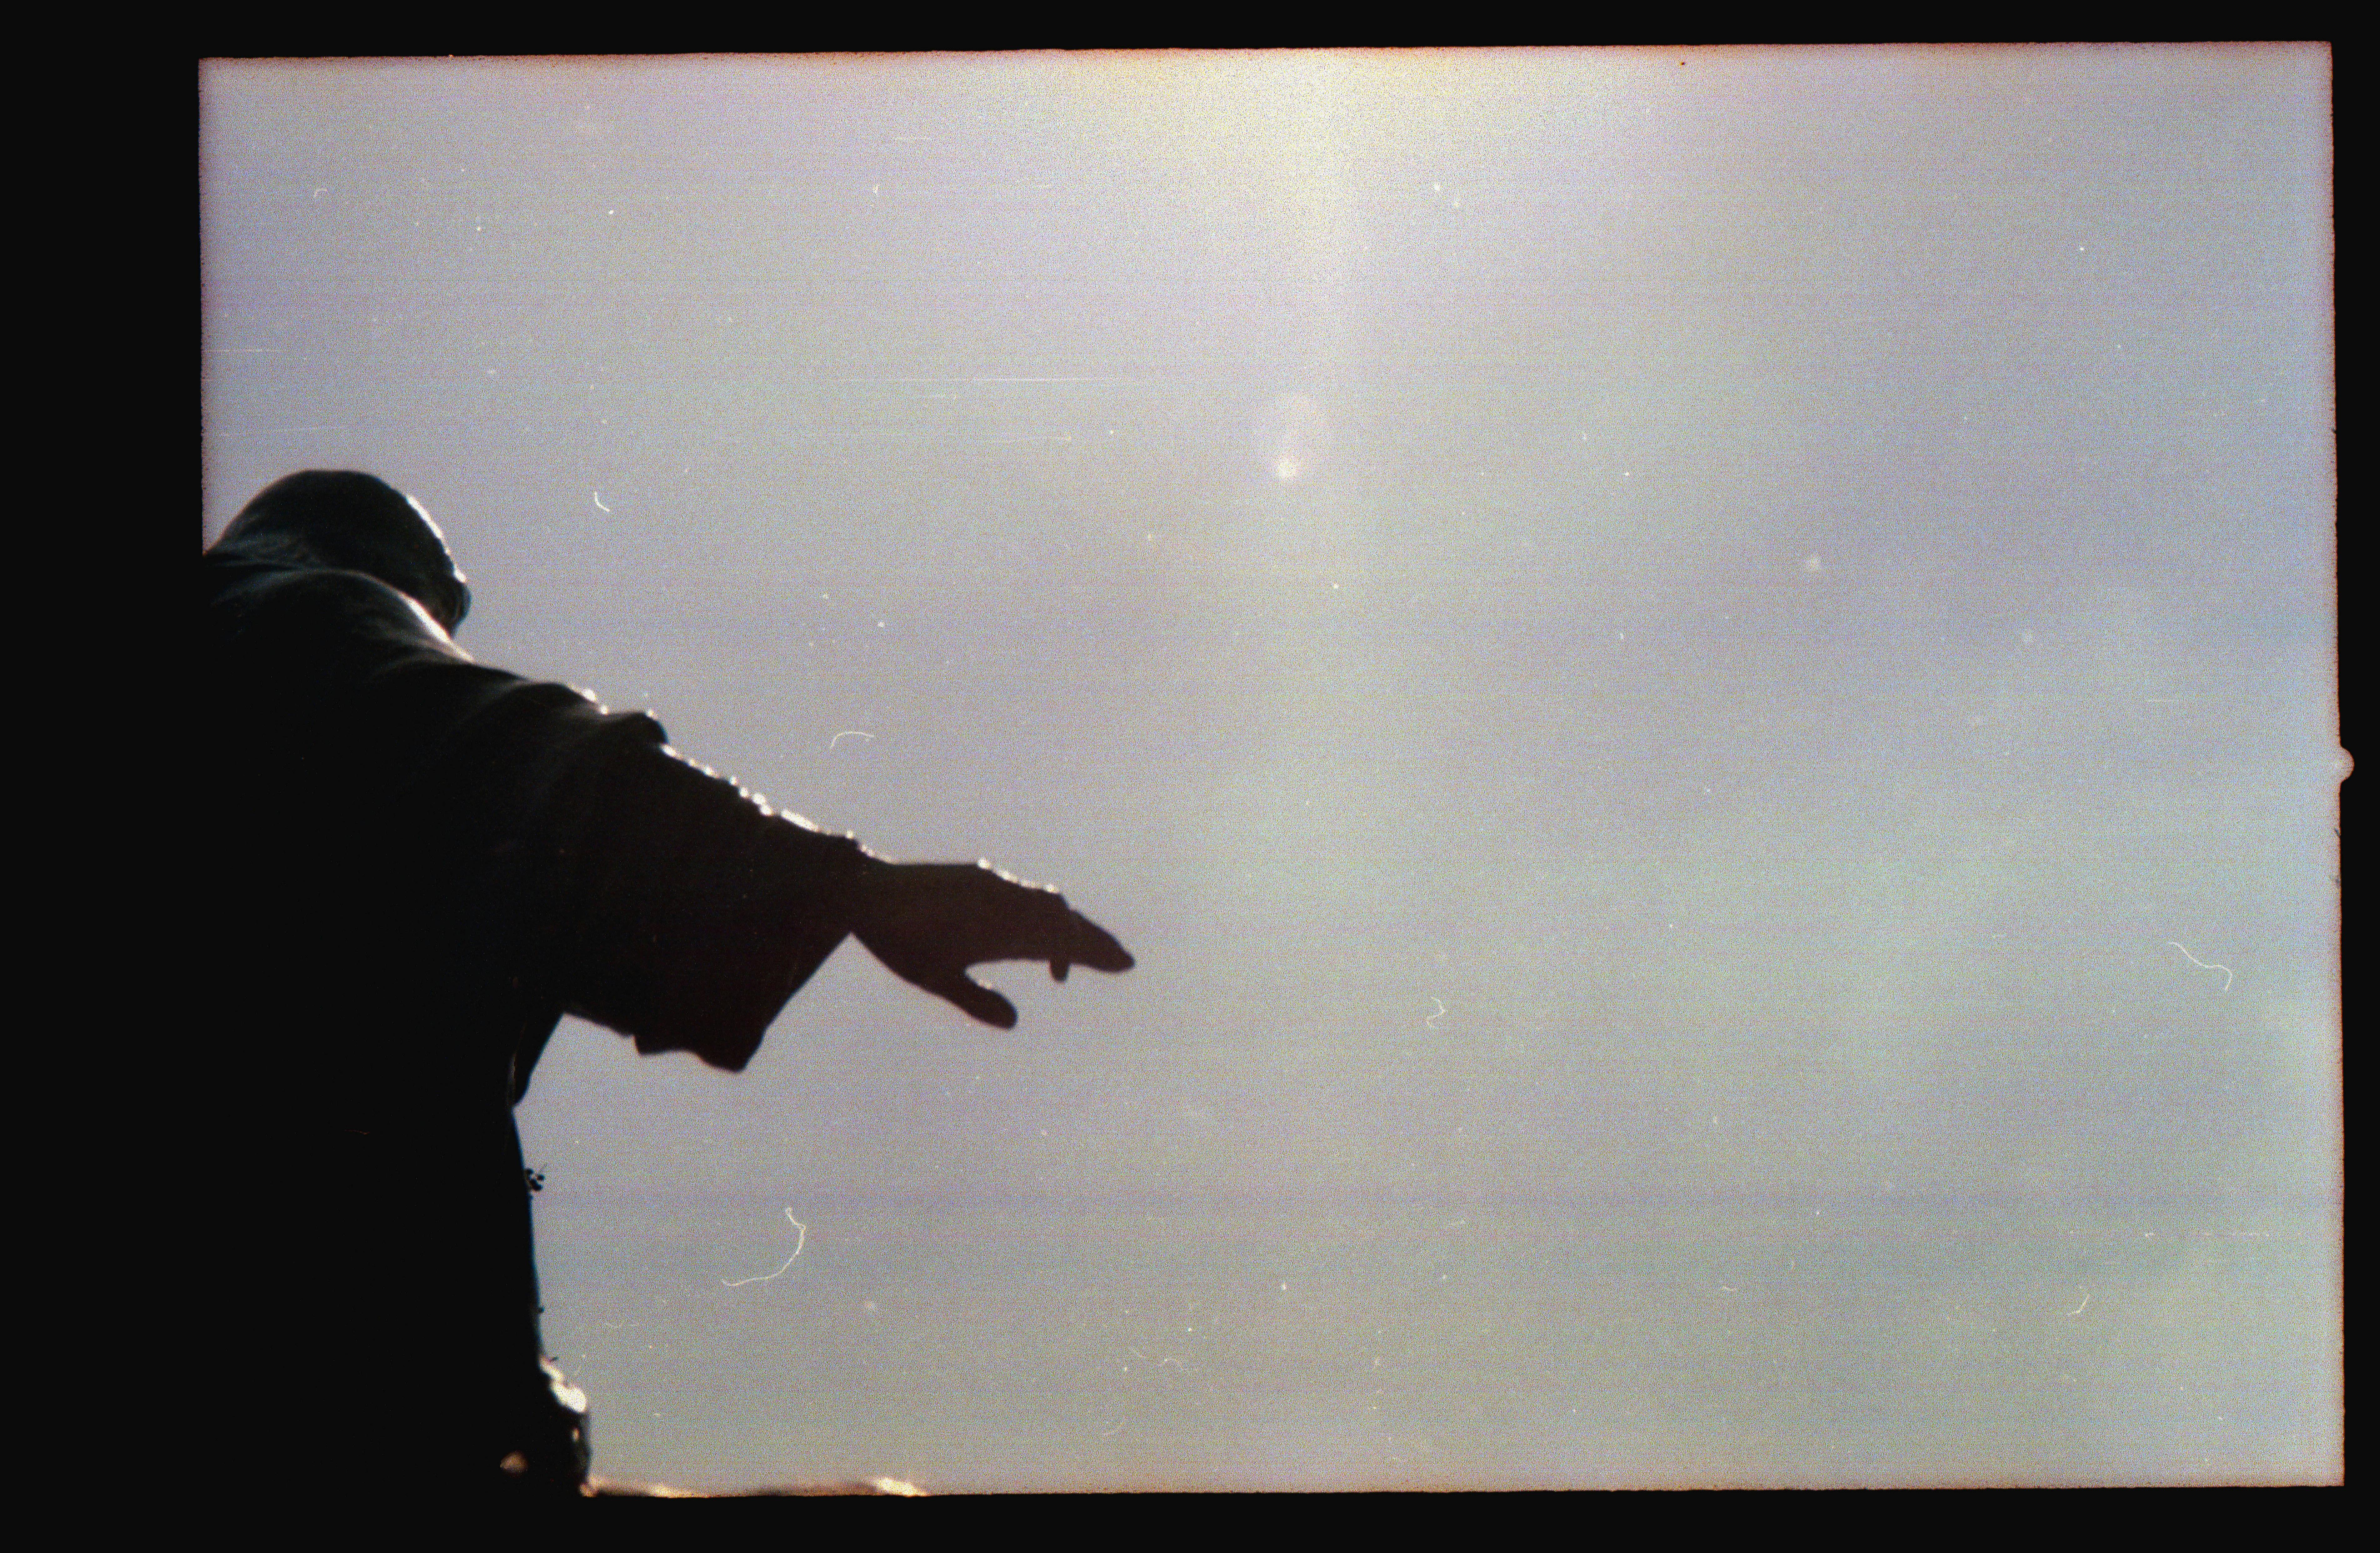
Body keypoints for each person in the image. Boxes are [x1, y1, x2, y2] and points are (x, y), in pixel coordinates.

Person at [191, 471, 1132, 1499]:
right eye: (437, 611)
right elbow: (511, 763)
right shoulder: (293, 604)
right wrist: (851, 889)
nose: (441, 638)